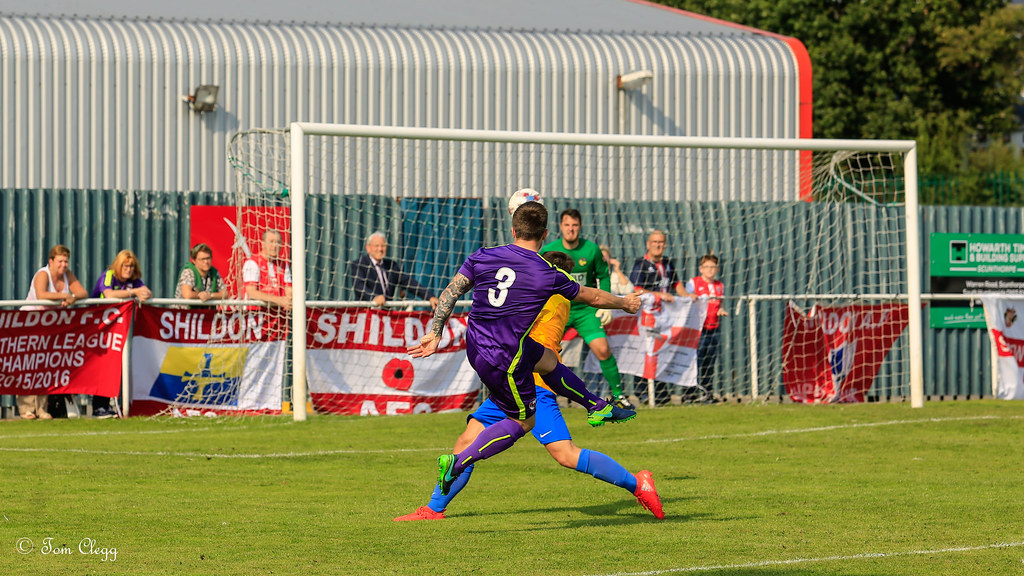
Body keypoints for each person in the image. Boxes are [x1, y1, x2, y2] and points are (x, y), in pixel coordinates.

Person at [395, 250, 663, 521]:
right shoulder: (549, 289)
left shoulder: (545, 290)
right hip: (511, 378)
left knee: (565, 454)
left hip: (534, 381)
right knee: (467, 440)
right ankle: (433, 508)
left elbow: (517, 307)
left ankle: (637, 483)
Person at [408, 200, 641, 497]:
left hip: (478, 345)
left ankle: (596, 406)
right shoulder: (547, 272)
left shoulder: (484, 255)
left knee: (546, 360)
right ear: (545, 234)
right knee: (524, 421)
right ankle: (458, 462)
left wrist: (435, 331)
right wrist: (624, 302)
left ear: (513, 229)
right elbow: (592, 297)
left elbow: (451, 292)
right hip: (505, 357)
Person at [541, 209, 632, 409]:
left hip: (584, 310)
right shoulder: (550, 250)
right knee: (544, 353)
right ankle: (543, 397)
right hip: (558, 309)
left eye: (574, 225)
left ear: (580, 227)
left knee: (603, 349)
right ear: (561, 227)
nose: (571, 229)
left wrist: (607, 305)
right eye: (567, 225)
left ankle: (618, 394)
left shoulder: (592, 250)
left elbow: (604, 276)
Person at [18, 244, 89, 420]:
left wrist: (73, 297)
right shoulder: (43, 274)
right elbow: (42, 294)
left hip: (50, 326)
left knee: (45, 365)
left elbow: (82, 292)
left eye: (66, 261)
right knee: (28, 365)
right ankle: (26, 408)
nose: (63, 265)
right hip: (30, 323)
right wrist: (64, 296)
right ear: (51, 261)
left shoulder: (68, 275)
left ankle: (41, 408)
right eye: (60, 261)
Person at [628, 231, 690, 405]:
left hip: (664, 318)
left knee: (662, 353)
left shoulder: (668, 263)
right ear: (648, 244)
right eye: (655, 242)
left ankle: (661, 393)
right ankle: (643, 392)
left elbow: (676, 284)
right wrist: (658, 295)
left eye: (661, 242)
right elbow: (637, 289)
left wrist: (688, 298)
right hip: (646, 318)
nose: (658, 245)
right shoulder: (641, 264)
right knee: (645, 354)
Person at [91, 249, 152, 417]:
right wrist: (133, 293)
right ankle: (98, 406)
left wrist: (142, 292)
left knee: (115, 365)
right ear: (119, 265)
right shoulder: (109, 275)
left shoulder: (134, 280)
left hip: (118, 329)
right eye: (125, 265)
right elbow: (109, 294)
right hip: (100, 328)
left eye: (131, 266)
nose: (128, 269)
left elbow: (146, 291)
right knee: (102, 367)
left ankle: (111, 403)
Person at [350, 231, 439, 309]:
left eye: (383, 246)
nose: (380, 249)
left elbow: (409, 282)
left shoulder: (391, 266)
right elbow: (359, 286)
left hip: (386, 316)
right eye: (376, 246)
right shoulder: (359, 264)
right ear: (368, 248)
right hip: (366, 315)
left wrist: (429, 296)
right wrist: (374, 298)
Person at [685, 253, 727, 400]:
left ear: (717, 269)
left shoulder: (719, 286)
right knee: (695, 361)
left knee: (709, 362)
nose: (710, 270)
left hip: (713, 328)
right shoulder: (693, 283)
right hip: (698, 329)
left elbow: (718, 305)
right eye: (707, 267)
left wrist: (720, 310)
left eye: (713, 267)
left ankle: (707, 393)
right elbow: (686, 301)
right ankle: (690, 393)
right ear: (701, 269)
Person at [243, 229, 292, 308]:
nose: (275, 246)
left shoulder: (283, 265)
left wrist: (289, 300)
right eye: (271, 242)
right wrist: (279, 300)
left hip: (279, 315)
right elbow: (251, 293)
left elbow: (289, 291)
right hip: (256, 315)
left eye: (278, 242)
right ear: (263, 244)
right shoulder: (252, 263)